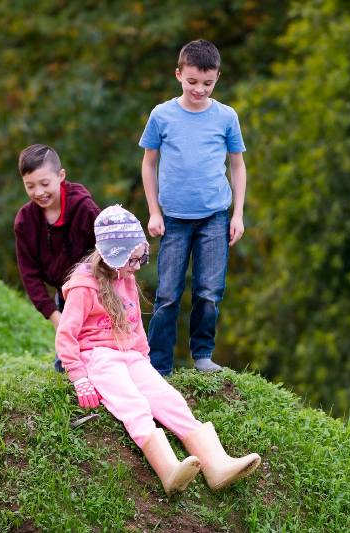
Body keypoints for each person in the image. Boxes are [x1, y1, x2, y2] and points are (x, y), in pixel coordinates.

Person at [55, 205, 260, 495]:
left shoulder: (125, 279)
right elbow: (66, 335)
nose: (138, 266)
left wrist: (145, 364)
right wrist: (79, 377)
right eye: (134, 258)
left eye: (143, 257)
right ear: (114, 254)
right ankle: (169, 470)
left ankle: (216, 465)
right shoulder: (83, 287)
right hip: (98, 357)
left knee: (170, 399)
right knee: (134, 404)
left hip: (130, 356)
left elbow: (136, 327)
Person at [139, 38, 247, 376]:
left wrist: (238, 214)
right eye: (192, 82)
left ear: (217, 78)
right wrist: (154, 211)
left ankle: (202, 355)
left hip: (214, 217)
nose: (199, 89)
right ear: (178, 75)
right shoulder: (162, 115)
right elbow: (148, 163)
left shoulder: (226, 117)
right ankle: (159, 364)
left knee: (209, 291)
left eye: (207, 83)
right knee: (168, 294)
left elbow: (238, 166)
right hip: (173, 218)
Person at [14, 144, 101, 372]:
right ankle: (67, 389)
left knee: (98, 350)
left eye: (45, 184)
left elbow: (105, 249)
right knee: (66, 357)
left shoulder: (84, 208)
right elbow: (29, 274)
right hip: (64, 293)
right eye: (30, 186)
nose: (39, 192)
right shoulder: (24, 221)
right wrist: (55, 316)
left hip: (96, 291)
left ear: (60, 176)